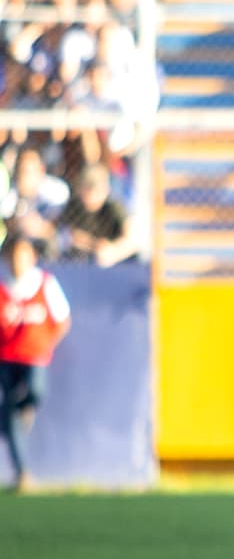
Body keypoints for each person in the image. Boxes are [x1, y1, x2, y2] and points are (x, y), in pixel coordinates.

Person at [0, 231, 72, 492]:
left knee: (35, 393)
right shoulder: (3, 287)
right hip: (6, 357)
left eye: (22, 255)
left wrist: (47, 343)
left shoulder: (44, 283)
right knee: (10, 407)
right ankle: (22, 473)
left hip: (35, 356)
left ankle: (13, 416)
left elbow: (63, 319)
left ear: (31, 257)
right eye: (13, 255)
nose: (17, 261)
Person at [56, 163, 137, 267]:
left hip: (118, 263)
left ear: (105, 190)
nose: (91, 195)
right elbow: (70, 236)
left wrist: (114, 251)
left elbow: (132, 240)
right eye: (87, 189)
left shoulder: (114, 207)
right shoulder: (73, 207)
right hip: (81, 262)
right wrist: (95, 245)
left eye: (96, 190)